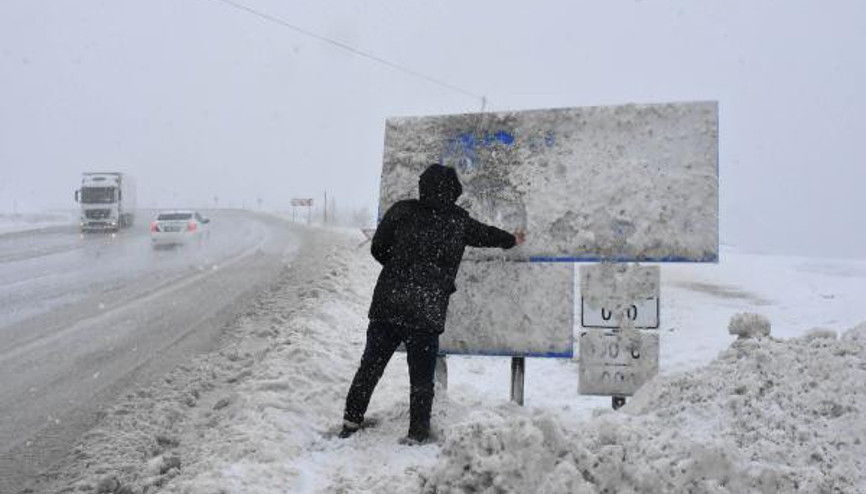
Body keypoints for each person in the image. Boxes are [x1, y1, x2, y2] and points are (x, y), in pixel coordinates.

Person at [340, 163, 525, 443]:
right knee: (422, 379)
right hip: (425, 310)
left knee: (370, 367)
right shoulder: (458, 221)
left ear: (422, 185)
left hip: (389, 303)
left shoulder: (402, 210)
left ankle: (351, 421)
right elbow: (488, 235)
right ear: (454, 192)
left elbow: (378, 246)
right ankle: (417, 433)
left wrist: (399, 270)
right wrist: (512, 239)